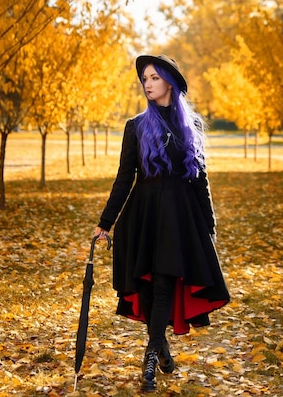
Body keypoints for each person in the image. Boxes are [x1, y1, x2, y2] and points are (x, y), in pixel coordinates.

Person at [93, 54, 230, 393]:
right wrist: (105, 224)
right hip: (144, 215)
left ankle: (150, 357)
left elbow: (200, 179)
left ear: (169, 81)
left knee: (166, 283)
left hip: (180, 218)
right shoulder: (136, 126)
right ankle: (162, 349)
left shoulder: (191, 126)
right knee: (151, 288)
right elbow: (125, 178)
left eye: (153, 77)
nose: (148, 84)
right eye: (145, 79)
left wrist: (208, 224)